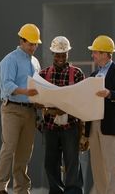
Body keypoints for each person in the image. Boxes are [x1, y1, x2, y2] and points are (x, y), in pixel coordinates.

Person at [0, 23, 42, 194]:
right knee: (9, 148)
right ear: (21, 41)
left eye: (36, 44)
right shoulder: (10, 60)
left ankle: (22, 190)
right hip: (12, 109)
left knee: (24, 153)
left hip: (30, 111)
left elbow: (39, 86)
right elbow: (7, 85)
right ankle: (0, 188)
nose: (34, 47)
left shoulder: (35, 62)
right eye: (30, 43)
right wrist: (26, 91)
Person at [39, 36, 85, 194]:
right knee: (50, 163)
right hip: (50, 126)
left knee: (72, 161)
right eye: (57, 55)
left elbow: (82, 101)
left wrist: (66, 108)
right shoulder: (43, 74)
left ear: (68, 54)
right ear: (53, 54)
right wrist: (50, 110)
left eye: (63, 54)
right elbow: (37, 101)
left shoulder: (77, 74)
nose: (60, 58)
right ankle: (56, 191)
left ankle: (73, 191)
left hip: (70, 126)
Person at [86, 35, 115, 194]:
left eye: (95, 52)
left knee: (111, 166)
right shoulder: (92, 76)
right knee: (97, 167)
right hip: (94, 124)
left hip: (110, 125)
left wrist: (109, 93)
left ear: (105, 53)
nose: (93, 55)